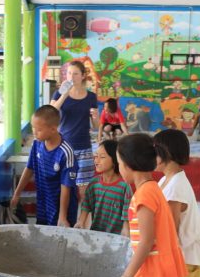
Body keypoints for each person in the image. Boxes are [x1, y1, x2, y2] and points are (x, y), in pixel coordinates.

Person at [115, 133, 188, 277]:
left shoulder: (145, 195)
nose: (119, 169)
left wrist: (126, 276)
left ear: (129, 165)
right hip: (161, 274)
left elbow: (147, 241)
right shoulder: (152, 188)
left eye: (119, 164)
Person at [154, 129, 200, 277]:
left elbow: (170, 232)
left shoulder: (175, 187)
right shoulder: (166, 179)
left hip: (187, 256)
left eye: (155, 150)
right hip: (183, 253)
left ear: (165, 154)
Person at [10, 105, 78, 227]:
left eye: (39, 129)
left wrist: (62, 217)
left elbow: (66, 187)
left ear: (53, 129)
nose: (34, 132)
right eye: (33, 127)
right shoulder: (37, 143)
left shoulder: (66, 153)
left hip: (62, 208)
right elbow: (29, 168)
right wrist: (17, 193)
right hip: (43, 203)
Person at [51, 61, 98, 205]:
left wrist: (96, 118)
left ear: (83, 76)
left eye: (76, 73)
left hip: (84, 146)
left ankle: (82, 222)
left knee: (84, 189)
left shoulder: (91, 97)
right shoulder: (58, 93)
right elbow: (51, 111)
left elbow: (96, 126)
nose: (72, 76)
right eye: (69, 73)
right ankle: (63, 218)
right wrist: (64, 94)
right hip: (64, 146)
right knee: (64, 187)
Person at [74, 139, 131, 235]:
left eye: (102, 157)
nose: (96, 160)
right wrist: (81, 222)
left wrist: (126, 229)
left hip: (116, 237)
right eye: (96, 156)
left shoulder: (124, 186)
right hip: (96, 234)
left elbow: (126, 213)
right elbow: (86, 205)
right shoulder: (94, 183)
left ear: (115, 159)